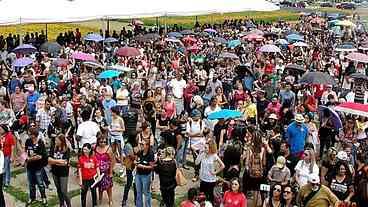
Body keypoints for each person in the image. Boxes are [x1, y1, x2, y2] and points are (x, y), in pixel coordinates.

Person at [195, 138, 225, 204]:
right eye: (204, 147)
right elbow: (196, 163)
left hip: (211, 180)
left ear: (210, 148)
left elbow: (222, 165)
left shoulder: (214, 156)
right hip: (203, 178)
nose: (204, 148)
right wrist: (200, 154)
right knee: (202, 196)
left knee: (210, 196)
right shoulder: (203, 154)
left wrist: (215, 172)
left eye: (206, 147)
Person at [25, 128, 48, 206]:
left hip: (38, 167)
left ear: (33, 135)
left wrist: (29, 159)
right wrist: (24, 158)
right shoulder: (28, 141)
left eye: (29, 134)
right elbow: (26, 151)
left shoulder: (40, 142)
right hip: (29, 167)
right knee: (31, 184)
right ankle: (32, 198)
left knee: (40, 184)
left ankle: (43, 197)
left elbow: (40, 156)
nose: (28, 135)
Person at [48, 134, 71, 207]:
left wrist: (54, 161)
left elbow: (65, 163)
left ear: (61, 141)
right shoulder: (53, 148)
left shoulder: (66, 149)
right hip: (55, 172)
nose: (55, 141)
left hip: (63, 173)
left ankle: (68, 204)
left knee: (64, 191)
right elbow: (48, 160)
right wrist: (59, 161)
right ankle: (61, 204)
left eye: (57, 140)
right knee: (58, 189)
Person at [95, 132, 114, 206]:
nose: (103, 143)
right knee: (100, 186)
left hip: (106, 171)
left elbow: (112, 161)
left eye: (104, 142)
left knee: (108, 186)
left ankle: (110, 199)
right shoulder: (95, 148)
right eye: (101, 142)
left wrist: (111, 172)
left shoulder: (108, 149)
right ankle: (100, 199)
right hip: (98, 171)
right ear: (98, 141)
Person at [78, 143, 100, 207]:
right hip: (84, 179)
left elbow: (97, 167)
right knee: (83, 193)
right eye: (83, 149)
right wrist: (80, 180)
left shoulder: (94, 158)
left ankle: (94, 204)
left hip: (92, 178)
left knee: (93, 192)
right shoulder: (81, 158)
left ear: (90, 150)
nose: (84, 151)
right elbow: (79, 170)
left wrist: (98, 176)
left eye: (86, 149)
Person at [135, 140, 154, 207]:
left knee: (146, 192)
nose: (141, 146)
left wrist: (143, 166)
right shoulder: (139, 152)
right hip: (138, 174)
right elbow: (136, 159)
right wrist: (135, 162)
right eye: (140, 144)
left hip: (146, 175)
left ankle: (148, 206)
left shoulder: (150, 154)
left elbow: (152, 167)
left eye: (142, 144)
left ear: (147, 146)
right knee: (138, 192)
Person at [121, 133, 137, 207]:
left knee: (136, 184)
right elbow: (132, 156)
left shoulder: (136, 144)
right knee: (129, 183)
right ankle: (124, 200)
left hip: (136, 167)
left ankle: (136, 199)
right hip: (130, 166)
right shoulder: (128, 145)